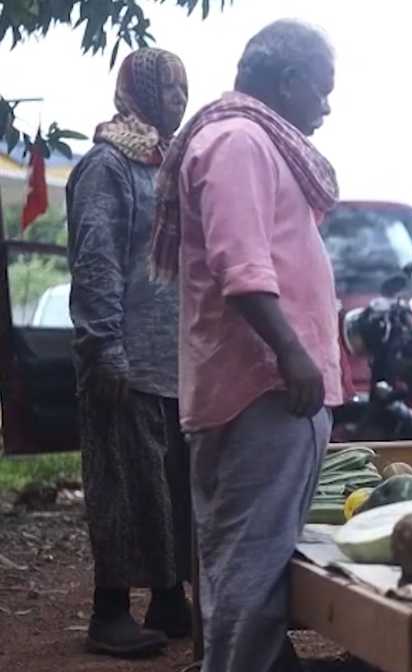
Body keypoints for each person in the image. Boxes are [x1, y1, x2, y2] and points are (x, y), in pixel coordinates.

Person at [150, 20, 341, 672]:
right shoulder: (238, 141)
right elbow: (242, 268)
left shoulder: (252, 140)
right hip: (261, 389)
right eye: (322, 90)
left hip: (262, 389)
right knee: (248, 574)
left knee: (250, 567)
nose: (326, 105)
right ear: (289, 82)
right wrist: (292, 353)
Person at [65, 47, 191, 657]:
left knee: (165, 487)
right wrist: (103, 346)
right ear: (140, 93)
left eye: (184, 90)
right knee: (120, 488)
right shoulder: (107, 166)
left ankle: (168, 599)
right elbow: (96, 261)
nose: (180, 101)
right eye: (170, 91)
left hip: (168, 361)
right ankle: (108, 612)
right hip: (120, 357)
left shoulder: (165, 166)